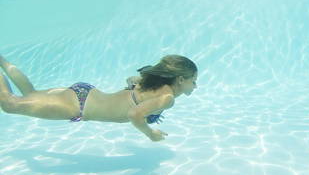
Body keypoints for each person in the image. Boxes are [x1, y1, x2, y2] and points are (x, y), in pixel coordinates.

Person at [0, 54, 198, 142]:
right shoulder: (167, 97)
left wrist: (132, 89)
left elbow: (132, 79)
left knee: (31, 94)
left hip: (85, 93)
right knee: (10, 104)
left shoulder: (154, 82)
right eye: (193, 81)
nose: (195, 86)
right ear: (180, 79)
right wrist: (150, 133)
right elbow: (134, 114)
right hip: (78, 106)